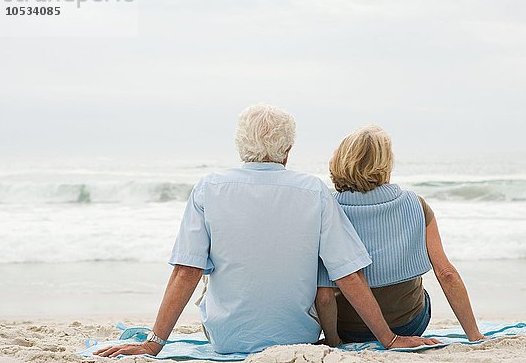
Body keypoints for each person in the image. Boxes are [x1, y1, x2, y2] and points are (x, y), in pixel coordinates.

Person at [94, 105, 438, 358]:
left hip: (227, 339)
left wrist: (154, 342)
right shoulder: (314, 191)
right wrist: (389, 339)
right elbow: (348, 274)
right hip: (297, 337)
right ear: (288, 151)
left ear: (240, 146)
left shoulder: (209, 188)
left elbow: (187, 270)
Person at [316, 125, 485, 346]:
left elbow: (325, 296)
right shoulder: (416, 204)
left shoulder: (327, 210)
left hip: (349, 328)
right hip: (410, 323)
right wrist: (475, 336)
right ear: (386, 163)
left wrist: (333, 340)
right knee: (420, 295)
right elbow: (446, 274)